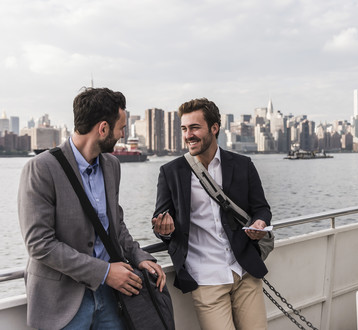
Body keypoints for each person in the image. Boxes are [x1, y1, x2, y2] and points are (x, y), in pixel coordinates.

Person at [18, 87, 166, 330]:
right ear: (103, 128)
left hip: (110, 298)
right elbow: (39, 244)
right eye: (121, 127)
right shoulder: (41, 169)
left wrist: (139, 257)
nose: (123, 134)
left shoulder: (112, 165)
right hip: (61, 303)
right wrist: (105, 272)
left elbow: (115, 225)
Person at [152, 98, 271, 330]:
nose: (188, 135)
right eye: (185, 129)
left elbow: (261, 208)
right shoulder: (170, 172)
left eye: (195, 127)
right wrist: (163, 229)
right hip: (205, 279)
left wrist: (260, 222)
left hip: (244, 271)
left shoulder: (242, 164)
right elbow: (162, 220)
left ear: (214, 128)